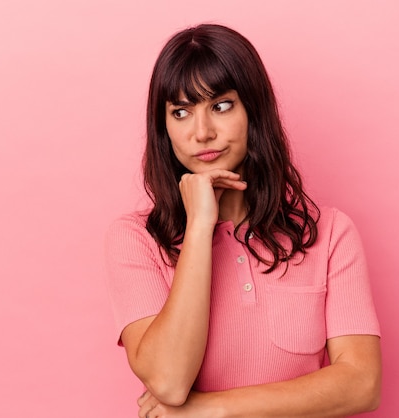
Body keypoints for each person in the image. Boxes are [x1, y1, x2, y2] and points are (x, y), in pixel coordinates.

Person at [105, 24, 381, 417]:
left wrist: (209, 411)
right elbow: (167, 380)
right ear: (164, 128)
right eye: (181, 112)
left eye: (220, 106)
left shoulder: (330, 234)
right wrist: (200, 225)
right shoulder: (136, 240)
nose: (202, 132)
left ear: (254, 109)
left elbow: (362, 385)